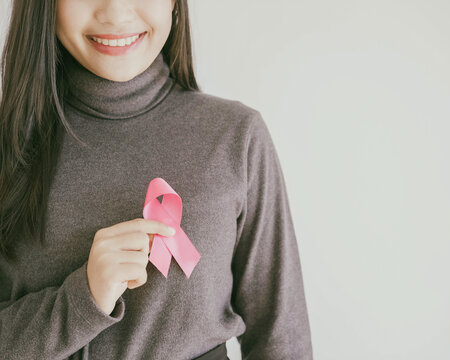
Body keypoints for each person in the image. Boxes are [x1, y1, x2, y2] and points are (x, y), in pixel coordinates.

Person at [0, 0, 313, 359]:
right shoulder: (7, 147)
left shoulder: (237, 137)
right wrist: (82, 300)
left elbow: (282, 343)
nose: (116, 14)